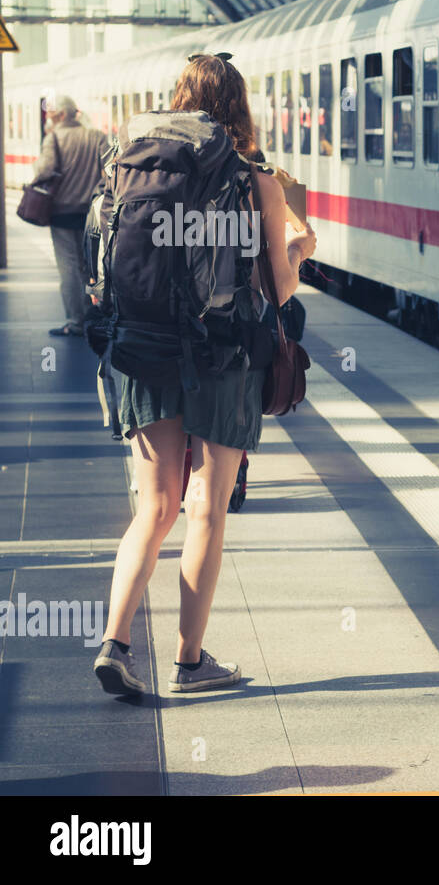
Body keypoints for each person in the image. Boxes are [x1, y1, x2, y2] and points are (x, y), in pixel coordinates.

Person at [92, 53, 317, 696]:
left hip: (142, 348)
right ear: (239, 107)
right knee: (205, 511)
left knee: (154, 507)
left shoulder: (128, 163)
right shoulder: (256, 182)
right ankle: (190, 662)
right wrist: (303, 246)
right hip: (224, 357)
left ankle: (116, 643)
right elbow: (277, 288)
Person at [31, 97, 109, 337]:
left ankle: (75, 321)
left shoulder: (54, 138)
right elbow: (109, 170)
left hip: (61, 211)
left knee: (68, 267)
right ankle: (90, 315)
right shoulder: (96, 136)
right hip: (89, 213)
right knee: (87, 266)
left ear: (62, 115)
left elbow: (44, 170)